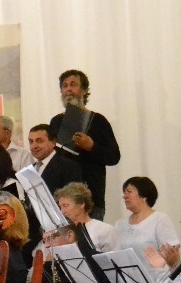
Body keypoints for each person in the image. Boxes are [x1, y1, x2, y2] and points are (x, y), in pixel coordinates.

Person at [48, 70, 121, 220]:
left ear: (84, 90)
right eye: (64, 86)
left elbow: (114, 157)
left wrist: (91, 146)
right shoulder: (56, 122)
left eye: (73, 85)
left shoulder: (98, 120)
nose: (68, 89)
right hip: (61, 200)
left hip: (90, 201)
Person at [114, 176, 180, 274]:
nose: (125, 196)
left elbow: (173, 256)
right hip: (128, 280)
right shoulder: (120, 224)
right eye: (124, 193)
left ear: (144, 196)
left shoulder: (160, 220)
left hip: (156, 279)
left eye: (129, 192)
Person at [54, 182, 117, 252]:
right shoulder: (64, 232)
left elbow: (114, 257)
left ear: (81, 204)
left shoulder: (104, 230)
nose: (62, 211)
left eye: (66, 206)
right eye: (60, 207)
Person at [27, 124, 83, 193]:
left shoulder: (69, 167)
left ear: (53, 142)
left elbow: (74, 197)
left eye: (39, 141)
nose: (34, 146)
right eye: (31, 142)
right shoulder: (31, 170)